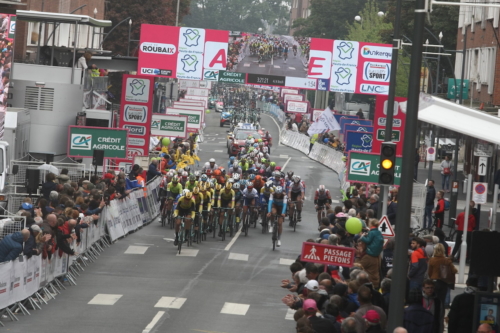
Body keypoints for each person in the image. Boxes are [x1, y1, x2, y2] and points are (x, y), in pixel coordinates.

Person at [427, 243, 456, 309]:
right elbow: (454, 270)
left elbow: (429, 272)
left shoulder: (432, 260)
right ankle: (440, 316)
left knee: (433, 301)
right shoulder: (447, 260)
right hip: (443, 282)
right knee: (441, 301)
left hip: (434, 281)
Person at [359, 219, 384, 288]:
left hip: (370, 281)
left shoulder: (372, 232)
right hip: (376, 280)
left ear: (371, 224)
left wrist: (362, 236)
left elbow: (368, 240)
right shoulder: (378, 232)